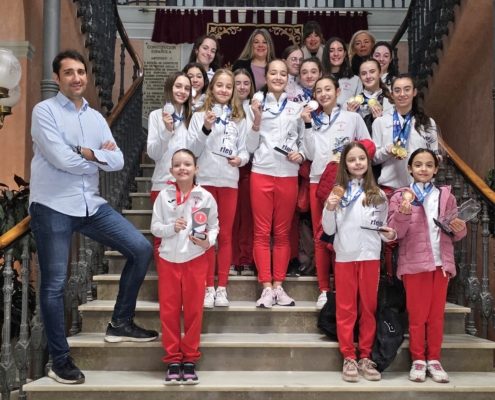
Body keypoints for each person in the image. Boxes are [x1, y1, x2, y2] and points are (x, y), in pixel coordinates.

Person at [29, 49, 158, 385]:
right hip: (53, 206)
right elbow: (60, 159)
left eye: (81, 71)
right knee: (54, 284)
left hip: (90, 204)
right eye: (69, 72)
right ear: (57, 78)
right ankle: (59, 360)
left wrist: (85, 153)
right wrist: (97, 157)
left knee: (140, 249)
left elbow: (114, 163)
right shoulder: (44, 112)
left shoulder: (96, 118)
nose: (77, 78)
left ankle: (120, 323)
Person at [387, 148, 466, 383]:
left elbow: (454, 232)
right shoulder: (400, 196)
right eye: (418, 165)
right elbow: (395, 233)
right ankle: (418, 360)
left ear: (435, 169)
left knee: (436, 316)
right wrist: (402, 214)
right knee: (418, 315)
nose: (424, 169)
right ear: (409, 168)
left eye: (429, 165)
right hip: (415, 264)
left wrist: (459, 230)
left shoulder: (446, 196)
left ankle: (434, 359)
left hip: (441, 263)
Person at [322, 142, 396, 382]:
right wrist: (329, 209)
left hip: (370, 258)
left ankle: (365, 355)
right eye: (352, 159)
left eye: (361, 159)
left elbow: (384, 227)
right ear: (345, 164)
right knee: (346, 308)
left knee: (368, 308)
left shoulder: (379, 195)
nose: (357, 163)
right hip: (345, 257)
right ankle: (348, 356)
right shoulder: (337, 192)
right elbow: (328, 229)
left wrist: (389, 235)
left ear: (368, 162)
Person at [151, 149, 219, 385]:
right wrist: (172, 227)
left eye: (187, 164)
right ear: (171, 170)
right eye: (177, 165)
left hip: (195, 259)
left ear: (196, 169)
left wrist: (207, 241)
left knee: (193, 311)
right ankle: (172, 359)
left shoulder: (205, 197)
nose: (182, 168)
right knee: (169, 312)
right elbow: (155, 228)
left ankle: (189, 359)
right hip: (169, 260)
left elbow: (214, 227)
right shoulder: (163, 196)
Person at [301, 75, 370, 309]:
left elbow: (367, 145)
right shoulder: (311, 119)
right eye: (318, 91)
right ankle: (323, 290)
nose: (323, 94)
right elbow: (309, 153)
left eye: (328, 89)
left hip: (345, 182)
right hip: (316, 181)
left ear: (338, 91)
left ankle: (342, 285)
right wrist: (308, 124)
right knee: (321, 236)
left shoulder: (352, 118)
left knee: (341, 234)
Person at [187, 70, 249, 308]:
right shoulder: (199, 115)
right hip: (204, 183)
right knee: (201, 234)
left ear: (233, 91)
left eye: (228, 87)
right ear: (212, 88)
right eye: (219, 85)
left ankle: (221, 288)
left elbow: (244, 151)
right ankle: (206, 287)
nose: (224, 90)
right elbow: (191, 148)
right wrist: (205, 128)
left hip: (229, 184)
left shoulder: (238, 118)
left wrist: (240, 160)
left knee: (224, 236)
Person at [372, 74, 439, 295]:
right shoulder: (381, 122)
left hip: (418, 191)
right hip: (390, 188)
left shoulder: (427, 123)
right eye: (397, 90)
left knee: (417, 238)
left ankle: (415, 287)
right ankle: (393, 286)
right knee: (390, 240)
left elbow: (435, 154)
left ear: (414, 92)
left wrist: (435, 158)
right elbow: (373, 159)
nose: (402, 94)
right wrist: (387, 150)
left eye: (406, 89)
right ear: (391, 94)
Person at [246, 59, 305, 308]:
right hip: (261, 172)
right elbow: (249, 147)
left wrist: (300, 155)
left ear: (288, 79)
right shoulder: (255, 105)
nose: (279, 77)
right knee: (261, 233)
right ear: (266, 77)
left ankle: (279, 286)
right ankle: (266, 287)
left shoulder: (298, 107)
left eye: (283, 74)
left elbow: (304, 142)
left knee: (282, 234)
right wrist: (257, 119)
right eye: (274, 73)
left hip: (288, 175)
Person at [148, 72, 192, 256]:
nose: (182, 91)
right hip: (162, 184)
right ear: (169, 88)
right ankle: (166, 285)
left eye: (187, 88)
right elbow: (153, 153)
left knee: (188, 237)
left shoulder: (193, 118)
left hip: (188, 187)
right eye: (178, 86)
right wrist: (166, 131)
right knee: (163, 239)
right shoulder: (156, 116)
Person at [232, 69, 256, 276]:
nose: (242, 87)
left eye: (246, 83)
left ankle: (246, 260)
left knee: (247, 217)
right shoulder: (224, 108)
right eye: (237, 82)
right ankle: (232, 260)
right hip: (227, 166)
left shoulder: (255, 107)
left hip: (250, 166)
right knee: (230, 217)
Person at [346, 58, 393, 133]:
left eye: (372, 72)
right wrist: (350, 116)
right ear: (360, 77)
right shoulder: (351, 104)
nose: (368, 76)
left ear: (380, 73)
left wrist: (379, 121)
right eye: (364, 73)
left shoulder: (390, 102)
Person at [321, 37, 363, 106]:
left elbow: (361, 107)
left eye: (340, 50)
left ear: (345, 54)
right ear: (326, 54)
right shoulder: (320, 78)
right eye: (331, 51)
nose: (336, 54)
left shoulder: (355, 80)